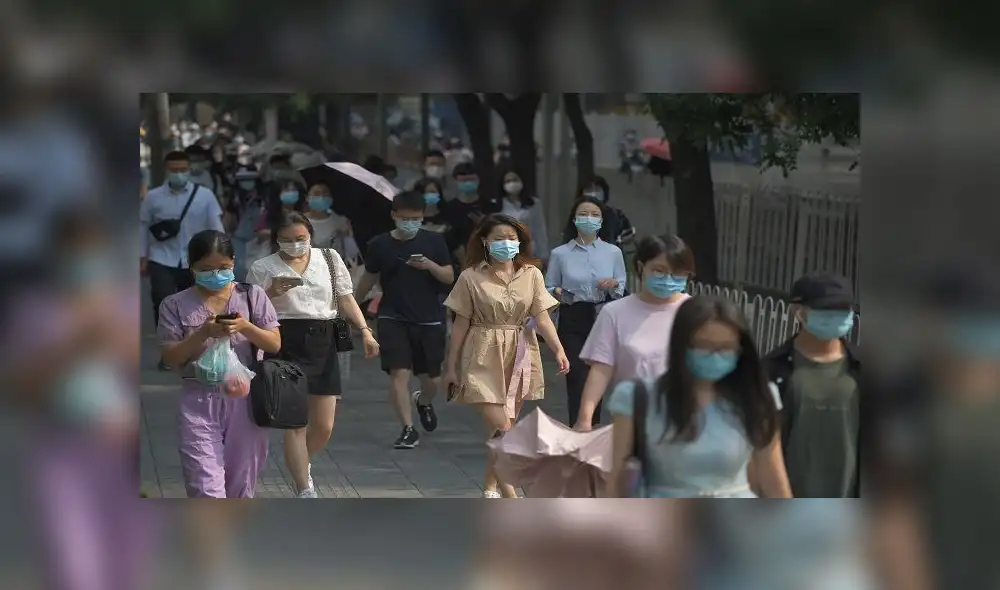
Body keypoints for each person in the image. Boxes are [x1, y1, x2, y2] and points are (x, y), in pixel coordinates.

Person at [247, 211, 379, 498]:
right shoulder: (262, 267)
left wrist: (365, 330)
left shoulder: (329, 258)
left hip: (323, 339)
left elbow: (345, 297)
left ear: (310, 235)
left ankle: (301, 462)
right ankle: (305, 489)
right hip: (283, 340)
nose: (295, 244)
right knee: (294, 422)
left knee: (324, 425)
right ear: (276, 240)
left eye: (301, 238)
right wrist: (269, 292)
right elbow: (250, 312)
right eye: (287, 240)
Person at [606, 296, 792, 498]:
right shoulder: (635, 398)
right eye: (704, 345)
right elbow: (618, 480)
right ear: (681, 346)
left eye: (726, 348)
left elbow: (773, 477)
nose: (715, 355)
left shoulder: (758, 397)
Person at [442, 214, 570, 498]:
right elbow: (460, 323)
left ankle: (490, 489)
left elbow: (543, 317)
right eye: (499, 238)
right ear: (485, 242)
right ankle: (513, 496)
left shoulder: (532, 274)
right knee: (503, 427)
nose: (506, 243)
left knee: (504, 429)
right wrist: (450, 367)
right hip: (481, 351)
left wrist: (558, 349)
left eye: (511, 238)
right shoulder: (471, 276)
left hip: (520, 351)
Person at [158, 230, 282, 497]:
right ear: (191, 267)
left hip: (246, 401)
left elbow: (274, 344)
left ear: (234, 262)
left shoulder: (253, 296)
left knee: (241, 484)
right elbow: (171, 357)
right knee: (206, 486)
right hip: (199, 401)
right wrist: (203, 333)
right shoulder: (174, 305)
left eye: (224, 267)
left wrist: (246, 326)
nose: (216, 275)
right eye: (206, 269)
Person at [354, 191, 455, 448]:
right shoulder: (379, 245)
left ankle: (423, 401)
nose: (410, 223)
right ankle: (408, 429)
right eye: (405, 218)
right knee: (399, 373)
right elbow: (367, 279)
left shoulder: (435, 241)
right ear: (394, 216)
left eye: (416, 218)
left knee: (432, 379)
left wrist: (429, 266)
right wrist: (352, 308)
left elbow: (448, 277)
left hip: (430, 317)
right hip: (393, 316)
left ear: (423, 217)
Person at [573, 235, 694, 430]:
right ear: (640, 267)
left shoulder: (695, 313)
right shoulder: (615, 313)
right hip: (630, 423)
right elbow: (601, 369)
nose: (668, 279)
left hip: (683, 424)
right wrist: (585, 419)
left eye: (677, 273)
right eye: (659, 271)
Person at [764, 272, 861, 498]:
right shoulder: (772, 370)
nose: (837, 316)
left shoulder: (863, 368)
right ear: (797, 311)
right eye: (827, 310)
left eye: (843, 310)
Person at [546, 196, 627, 427]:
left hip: (601, 314)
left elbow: (622, 286)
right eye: (583, 214)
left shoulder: (613, 252)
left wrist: (613, 284)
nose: (588, 219)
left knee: (596, 373)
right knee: (577, 374)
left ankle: (592, 423)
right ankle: (578, 424)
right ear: (574, 219)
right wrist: (562, 292)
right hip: (573, 316)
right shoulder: (560, 254)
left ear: (602, 220)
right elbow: (549, 287)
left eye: (594, 215)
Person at [141, 150, 226, 369]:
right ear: (166, 171)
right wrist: (142, 256)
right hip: (162, 258)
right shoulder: (153, 197)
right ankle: (169, 354)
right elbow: (142, 227)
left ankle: (193, 351)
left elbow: (216, 228)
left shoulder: (204, 196)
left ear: (188, 170)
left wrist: (222, 259)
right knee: (163, 304)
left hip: (196, 262)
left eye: (182, 170)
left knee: (195, 306)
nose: (179, 174)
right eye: (174, 170)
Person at [494, 168, 550, 262]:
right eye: (508, 181)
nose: (512, 183)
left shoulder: (533, 203)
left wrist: (544, 255)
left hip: (529, 252)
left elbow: (540, 229)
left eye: (515, 180)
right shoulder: (496, 205)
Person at [442, 162, 490, 266]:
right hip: (457, 261)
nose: (468, 183)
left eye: (471, 180)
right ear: (456, 181)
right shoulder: (448, 208)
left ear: (478, 180)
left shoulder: (489, 206)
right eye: (464, 180)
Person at [575, 176, 635, 250]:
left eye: (597, 190)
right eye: (589, 190)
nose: (593, 194)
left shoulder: (615, 214)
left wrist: (626, 238)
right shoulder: (576, 215)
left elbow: (628, 233)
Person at [304, 182, 354, 260]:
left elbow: (352, 254)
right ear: (307, 198)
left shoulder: (341, 221)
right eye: (317, 194)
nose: (321, 197)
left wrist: (347, 237)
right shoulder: (299, 221)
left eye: (325, 194)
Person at [230, 164, 264, 281]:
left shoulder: (264, 197)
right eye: (243, 180)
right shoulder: (235, 196)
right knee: (238, 271)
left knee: (257, 272)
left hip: (259, 239)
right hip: (238, 239)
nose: (246, 182)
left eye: (250, 179)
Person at [414, 176, 461, 258]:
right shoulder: (410, 218)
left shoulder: (449, 215)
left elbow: (457, 248)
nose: (428, 195)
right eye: (424, 192)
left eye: (432, 192)